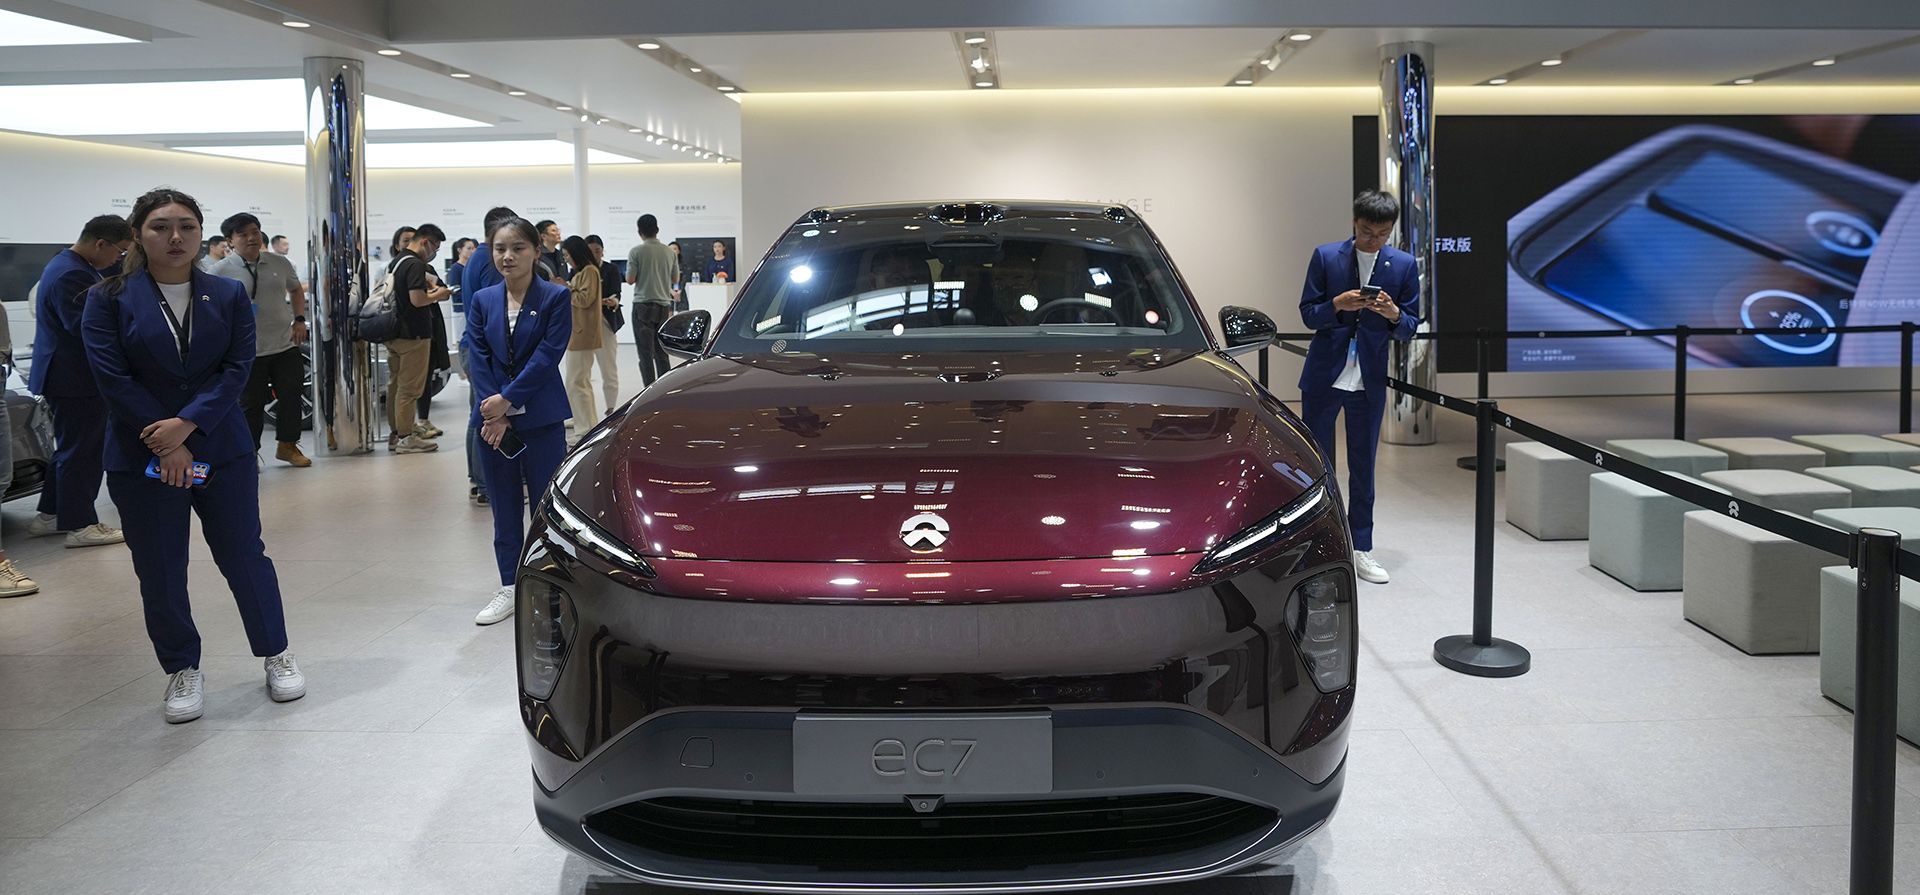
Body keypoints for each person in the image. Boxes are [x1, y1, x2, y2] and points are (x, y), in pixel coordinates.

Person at [80, 186, 305, 723]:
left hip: (219, 449)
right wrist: (165, 438)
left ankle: (276, 653)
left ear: (202, 234)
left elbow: (236, 368)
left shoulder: (225, 296)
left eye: (186, 225)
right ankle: (182, 668)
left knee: (245, 557)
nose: (174, 236)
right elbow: (111, 377)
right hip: (142, 454)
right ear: (138, 234)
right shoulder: (107, 297)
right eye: (160, 226)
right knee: (159, 568)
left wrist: (187, 427)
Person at [1297, 189, 1421, 585]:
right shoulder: (1326, 256)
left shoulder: (1401, 265)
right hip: (1325, 374)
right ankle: (1317, 542)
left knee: (1364, 466)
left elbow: (1410, 327)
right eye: (1368, 232)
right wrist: (1338, 304)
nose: (1374, 240)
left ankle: (1360, 547)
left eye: (1382, 234)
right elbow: (1308, 315)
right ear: (1354, 222)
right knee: (1316, 464)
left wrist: (1393, 312)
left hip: (1368, 379)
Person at [466, 216, 571, 625]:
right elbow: (479, 358)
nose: (508, 256)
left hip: (540, 418)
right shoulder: (483, 299)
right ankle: (509, 584)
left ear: (535, 251)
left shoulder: (554, 299)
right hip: (492, 425)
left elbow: (547, 357)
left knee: (545, 507)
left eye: (518, 248)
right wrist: (493, 411)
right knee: (504, 505)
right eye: (499, 249)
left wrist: (506, 402)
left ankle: (549, 582)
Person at [27, 215, 132, 549]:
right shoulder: (72, 273)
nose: (118, 260)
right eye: (119, 252)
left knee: (71, 447)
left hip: (65, 374)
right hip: (73, 376)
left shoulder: (68, 264)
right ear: (100, 243)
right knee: (84, 450)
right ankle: (81, 524)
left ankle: (51, 514)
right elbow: (87, 327)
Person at [210, 212, 312, 468]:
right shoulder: (219, 271)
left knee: (292, 396)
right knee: (250, 406)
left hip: (284, 343)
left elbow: (296, 289)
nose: (251, 238)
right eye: (242, 234)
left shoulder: (279, 262)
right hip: (246, 350)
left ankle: (288, 446)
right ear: (230, 241)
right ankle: (249, 453)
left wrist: (299, 319)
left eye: (254, 231)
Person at [385, 224, 449, 454]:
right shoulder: (414, 264)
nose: (434, 253)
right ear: (425, 242)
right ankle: (405, 437)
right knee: (409, 389)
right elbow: (417, 300)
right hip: (413, 334)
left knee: (395, 385)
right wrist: (439, 294)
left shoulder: (398, 261)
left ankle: (396, 434)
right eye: (435, 248)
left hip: (396, 333)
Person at [626, 214, 676, 387]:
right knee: (662, 353)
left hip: (642, 306)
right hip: (663, 305)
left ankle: (648, 390)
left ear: (640, 232)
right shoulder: (669, 252)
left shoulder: (636, 252)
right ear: (657, 230)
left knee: (645, 354)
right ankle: (665, 389)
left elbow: (630, 279)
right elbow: (675, 277)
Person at [560, 236, 605, 423]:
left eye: (567, 255)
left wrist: (566, 288)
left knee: (577, 383)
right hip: (577, 333)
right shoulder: (585, 271)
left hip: (583, 334)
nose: (566, 259)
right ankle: (583, 421)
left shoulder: (589, 271)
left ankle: (585, 426)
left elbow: (585, 300)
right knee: (577, 382)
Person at [585, 235, 623, 414]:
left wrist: (613, 300)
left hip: (606, 321)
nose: (594, 255)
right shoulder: (579, 271)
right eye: (590, 252)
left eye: (597, 251)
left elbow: (617, 292)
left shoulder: (611, 269)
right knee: (581, 372)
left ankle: (611, 409)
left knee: (609, 368)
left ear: (602, 250)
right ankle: (582, 412)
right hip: (583, 325)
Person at [535, 219, 569, 285]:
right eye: (554, 231)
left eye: (558, 230)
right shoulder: (537, 256)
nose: (558, 233)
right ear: (543, 236)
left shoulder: (561, 254)